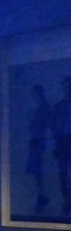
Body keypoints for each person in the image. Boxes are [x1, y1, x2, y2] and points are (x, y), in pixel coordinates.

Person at [26, 83, 53, 212]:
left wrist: (45, 142)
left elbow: (48, 126)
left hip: (40, 142)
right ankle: (40, 195)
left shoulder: (45, 109)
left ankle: (42, 196)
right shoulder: (38, 109)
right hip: (35, 142)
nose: (34, 97)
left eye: (35, 94)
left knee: (39, 170)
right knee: (35, 172)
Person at [53, 75, 71, 217]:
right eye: (65, 87)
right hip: (63, 142)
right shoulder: (59, 106)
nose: (68, 89)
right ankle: (67, 201)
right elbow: (55, 127)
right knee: (63, 173)